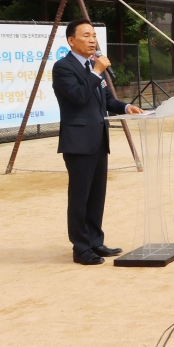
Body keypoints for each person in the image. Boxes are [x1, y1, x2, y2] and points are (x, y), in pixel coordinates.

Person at [53, 18, 145, 264]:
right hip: (78, 142)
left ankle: (95, 241)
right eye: (86, 35)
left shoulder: (94, 68)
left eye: (94, 35)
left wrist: (126, 106)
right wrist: (96, 72)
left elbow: (106, 100)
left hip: (98, 139)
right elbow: (79, 97)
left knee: (96, 195)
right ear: (71, 41)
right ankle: (81, 248)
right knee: (80, 196)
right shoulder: (63, 68)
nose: (92, 39)